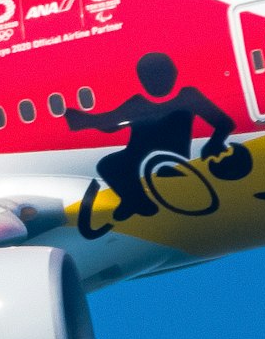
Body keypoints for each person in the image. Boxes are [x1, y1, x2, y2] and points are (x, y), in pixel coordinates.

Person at [58, 50, 241, 222]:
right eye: (148, 77)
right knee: (109, 165)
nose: (152, 82)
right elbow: (110, 125)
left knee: (109, 165)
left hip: (165, 159)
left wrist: (214, 143)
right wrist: (84, 121)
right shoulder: (143, 102)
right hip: (139, 158)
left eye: (157, 75)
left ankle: (138, 202)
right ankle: (136, 201)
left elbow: (224, 123)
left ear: (173, 73)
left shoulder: (184, 97)